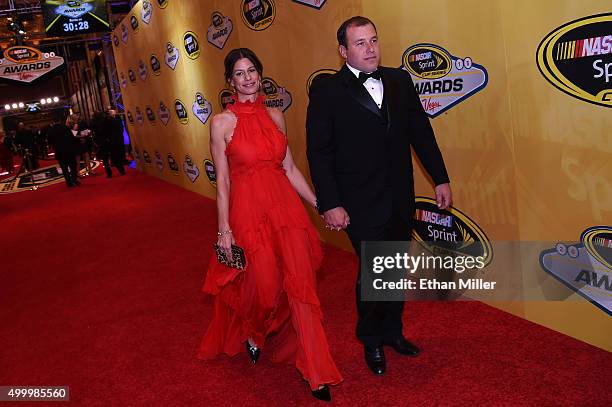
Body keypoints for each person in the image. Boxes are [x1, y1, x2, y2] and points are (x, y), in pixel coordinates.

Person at [306, 16, 452, 376]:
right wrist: (330, 203)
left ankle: (393, 332)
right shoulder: (327, 90)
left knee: (395, 269)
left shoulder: (400, 79)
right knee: (376, 270)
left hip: (399, 196)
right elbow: (319, 153)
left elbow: (421, 133)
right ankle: (370, 338)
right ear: (343, 51)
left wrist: (440, 178)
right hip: (357, 202)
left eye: (373, 40)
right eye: (360, 43)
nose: (370, 48)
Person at [199, 48, 342, 401]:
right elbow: (223, 184)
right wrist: (224, 231)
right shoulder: (221, 123)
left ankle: (317, 373)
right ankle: (253, 332)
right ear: (229, 81)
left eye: (252, 71)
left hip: (287, 212)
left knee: (301, 286)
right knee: (264, 287)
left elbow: (290, 169)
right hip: (247, 214)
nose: (247, 78)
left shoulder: (277, 116)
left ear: (260, 75)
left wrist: (321, 206)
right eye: (239, 73)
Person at [48, 116, 80, 187]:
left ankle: (69, 182)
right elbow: (72, 137)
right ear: (59, 120)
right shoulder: (66, 127)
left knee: (64, 168)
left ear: (53, 121)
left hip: (59, 152)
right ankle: (74, 180)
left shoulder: (51, 130)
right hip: (69, 150)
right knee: (73, 166)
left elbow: (50, 142)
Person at [106, 109, 126, 176]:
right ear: (113, 114)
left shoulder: (108, 122)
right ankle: (121, 168)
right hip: (118, 139)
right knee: (119, 154)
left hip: (112, 140)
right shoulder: (117, 121)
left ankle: (119, 167)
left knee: (115, 154)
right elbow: (121, 128)